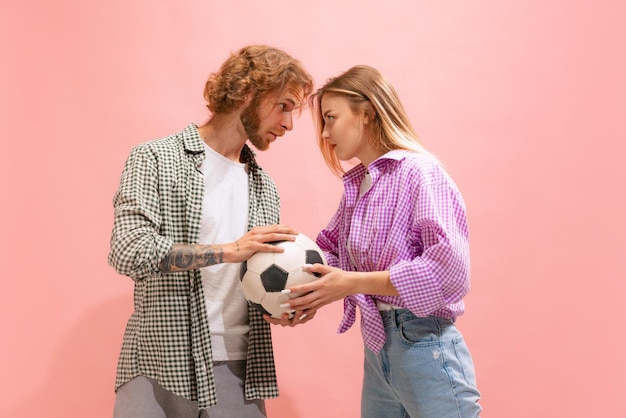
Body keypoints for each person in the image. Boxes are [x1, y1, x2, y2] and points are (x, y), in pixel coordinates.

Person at [108, 44, 314, 418]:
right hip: (160, 365)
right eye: (284, 106)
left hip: (240, 371)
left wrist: (284, 305)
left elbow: (256, 279)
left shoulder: (264, 187)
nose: (288, 123)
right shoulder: (155, 159)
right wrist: (229, 250)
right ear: (249, 92)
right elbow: (128, 250)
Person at [271, 65, 482, 417]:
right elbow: (333, 256)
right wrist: (299, 297)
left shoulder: (421, 172)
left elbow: (450, 273)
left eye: (330, 117)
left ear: (366, 113)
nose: (324, 133)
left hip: (424, 345)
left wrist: (350, 284)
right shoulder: (360, 185)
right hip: (378, 350)